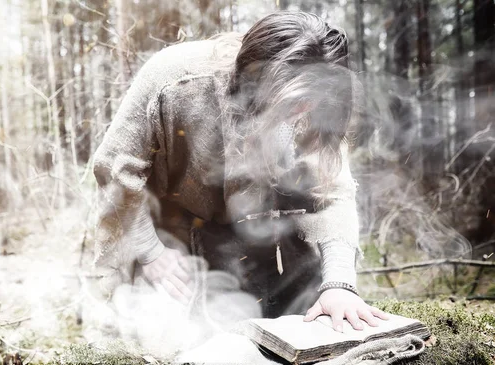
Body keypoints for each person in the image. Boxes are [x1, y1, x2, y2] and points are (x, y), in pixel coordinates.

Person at [92, 11, 388, 333]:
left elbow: (331, 191)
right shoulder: (174, 79)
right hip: (169, 232)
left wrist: (339, 284)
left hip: (261, 233)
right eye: (294, 101)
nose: (304, 110)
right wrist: (150, 253)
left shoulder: (317, 100)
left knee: (295, 328)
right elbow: (114, 168)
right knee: (164, 335)